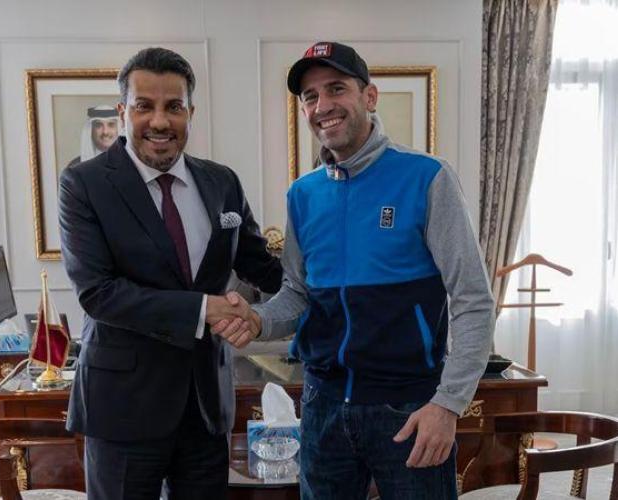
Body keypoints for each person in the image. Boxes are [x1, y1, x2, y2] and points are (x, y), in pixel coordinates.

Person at [211, 42, 495, 500]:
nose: (322, 105)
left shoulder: (427, 177)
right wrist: (258, 318)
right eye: (310, 96)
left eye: (336, 88)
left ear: (369, 96)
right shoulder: (303, 195)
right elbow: (298, 295)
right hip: (322, 405)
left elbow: (473, 299)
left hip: (408, 407)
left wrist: (448, 404)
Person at [58, 47, 282, 500]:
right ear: (123, 111)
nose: (159, 121)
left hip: (206, 407)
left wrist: (327, 279)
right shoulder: (83, 184)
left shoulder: (222, 182)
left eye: (173, 107)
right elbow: (98, 293)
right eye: (144, 106)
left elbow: (263, 268)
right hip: (122, 410)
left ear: (190, 113)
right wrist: (204, 309)